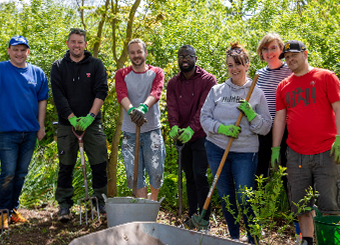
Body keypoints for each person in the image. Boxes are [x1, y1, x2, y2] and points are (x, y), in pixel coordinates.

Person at [200, 42, 271, 244]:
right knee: (226, 197)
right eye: (230, 65)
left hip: (245, 152)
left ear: (247, 64)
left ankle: (253, 238)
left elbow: (265, 127)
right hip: (216, 148)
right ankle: (232, 238)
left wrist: (251, 115)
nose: (234, 69)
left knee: (245, 198)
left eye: (238, 64)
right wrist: (221, 128)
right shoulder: (217, 90)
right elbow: (204, 118)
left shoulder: (256, 92)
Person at [271, 40, 340, 245]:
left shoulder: (326, 77)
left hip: (327, 152)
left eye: (293, 55)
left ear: (305, 54)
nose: (290, 59)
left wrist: (339, 137)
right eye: (287, 57)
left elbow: (338, 108)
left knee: (331, 205)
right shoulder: (284, 86)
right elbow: (280, 119)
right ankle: (307, 241)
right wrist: (275, 149)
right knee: (301, 205)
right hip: (296, 153)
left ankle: (331, 242)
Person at [51, 28, 108, 222]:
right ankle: (64, 205)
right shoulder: (58, 66)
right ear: (68, 43)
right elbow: (58, 96)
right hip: (68, 125)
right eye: (73, 41)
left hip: (92, 123)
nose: (76, 45)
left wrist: (90, 116)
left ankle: (100, 201)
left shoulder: (96, 64)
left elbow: (102, 91)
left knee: (100, 162)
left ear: (85, 44)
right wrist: (72, 117)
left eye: (80, 42)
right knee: (66, 165)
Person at [0, 36, 48, 229]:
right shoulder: (2, 69)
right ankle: (2, 212)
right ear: (9, 51)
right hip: (6, 132)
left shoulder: (37, 73)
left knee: (20, 174)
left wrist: (41, 125)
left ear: (28, 52)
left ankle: (12, 211)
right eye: (15, 49)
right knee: (8, 174)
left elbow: (42, 100)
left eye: (23, 50)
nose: (19, 53)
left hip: (29, 131)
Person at [167, 45, 217, 228]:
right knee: (188, 176)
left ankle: (204, 216)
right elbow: (171, 108)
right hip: (181, 135)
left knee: (199, 174)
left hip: (202, 134)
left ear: (196, 58)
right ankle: (192, 213)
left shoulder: (208, 80)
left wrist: (191, 129)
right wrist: (174, 127)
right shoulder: (173, 83)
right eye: (181, 56)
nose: (184, 59)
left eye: (188, 56)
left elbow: (204, 109)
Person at [115, 38, 165, 201]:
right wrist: (132, 111)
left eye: (139, 52)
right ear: (129, 55)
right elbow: (121, 94)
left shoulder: (156, 72)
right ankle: (144, 207)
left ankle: (153, 203)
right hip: (130, 133)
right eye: (132, 52)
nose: (136, 55)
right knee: (133, 174)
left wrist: (142, 108)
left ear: (145, 53)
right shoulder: (122, 74)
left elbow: (156, 92)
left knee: (156, 172)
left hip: (152, 130)